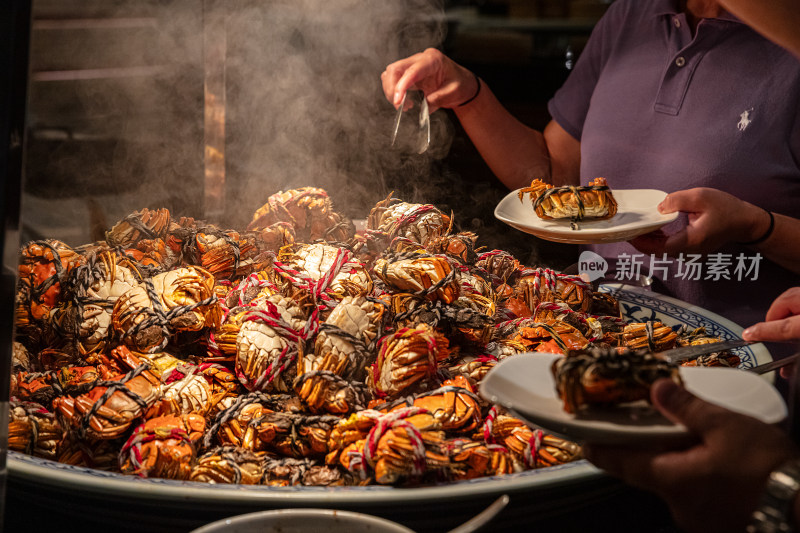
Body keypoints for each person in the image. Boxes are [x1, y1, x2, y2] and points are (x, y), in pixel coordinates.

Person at [381, 0, 800, 332]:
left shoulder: (788, 42)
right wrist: (467, 95)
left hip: (740, 356)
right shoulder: (630, 14)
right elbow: (555, 175)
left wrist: (755, 225)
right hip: (601, 332)